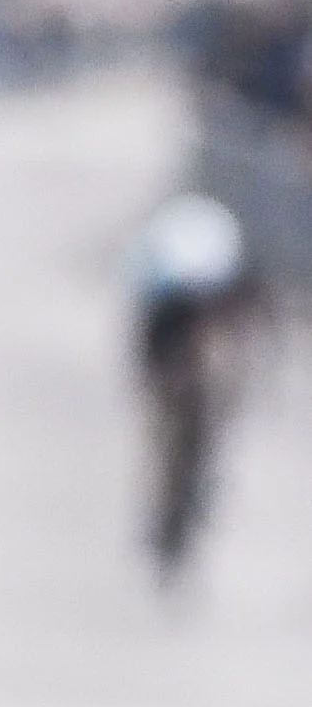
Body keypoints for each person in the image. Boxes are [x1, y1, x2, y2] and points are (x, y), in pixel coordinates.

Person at [130, 191, 262, 583]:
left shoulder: (211, 278)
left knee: (194, 447)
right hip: (176, 381)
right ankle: (170, 520)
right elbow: (149, 349)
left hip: (197, 384)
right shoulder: (172, 294)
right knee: (173, 446)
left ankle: (183, 512)